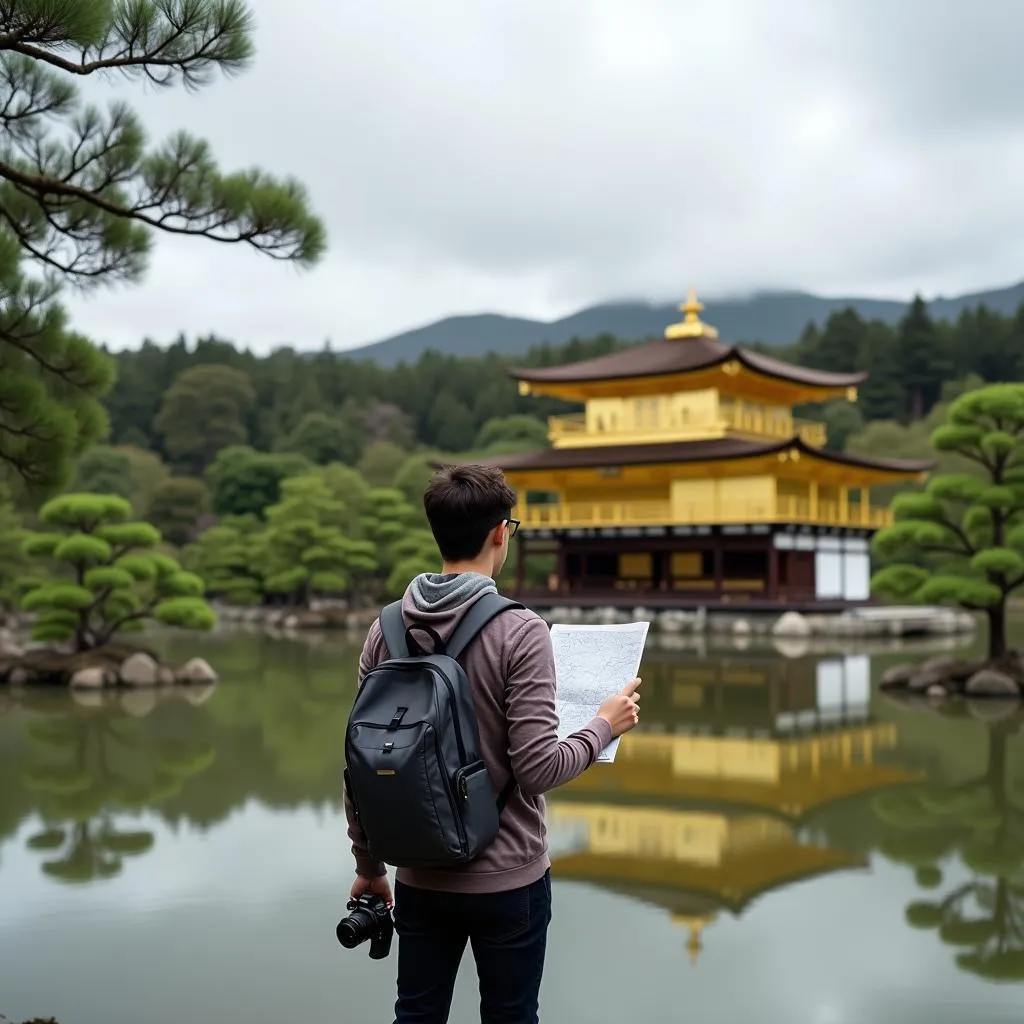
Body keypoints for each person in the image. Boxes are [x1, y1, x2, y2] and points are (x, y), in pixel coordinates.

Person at [344, 463, 641, 1024]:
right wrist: (605, 723)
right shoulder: (520, 630)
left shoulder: (385, 628)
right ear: (501, 532)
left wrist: (368, 864)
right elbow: (537, 769)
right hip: (508, 881)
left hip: (417, 876)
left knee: (417, 1014)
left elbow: (363, 765)